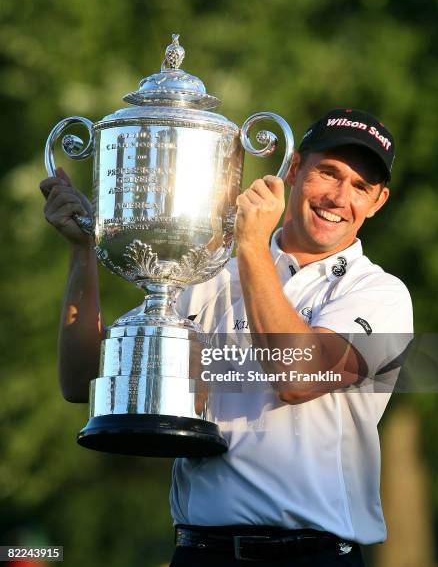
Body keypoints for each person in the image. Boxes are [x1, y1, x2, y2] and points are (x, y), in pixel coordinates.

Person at [40, 108, 413, 566]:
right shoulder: (207, 274)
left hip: (313, 557)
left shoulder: (379, 292)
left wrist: (252, 246)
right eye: (328, 173)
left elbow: (296, 377)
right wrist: (83, 253)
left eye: (361, 186)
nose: (339, 197)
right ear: (294, 170)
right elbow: (82, 381)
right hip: (200, 552)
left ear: (378, 201)